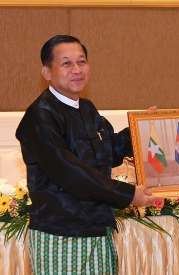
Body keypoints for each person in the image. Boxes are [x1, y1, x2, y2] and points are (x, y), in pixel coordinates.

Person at [15, 35, 161, 275]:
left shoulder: (87, 108)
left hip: (97, 229)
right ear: (47, 72)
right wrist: (127, 194)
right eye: (66, 63)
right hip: (62, 234)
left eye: (81, 62)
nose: (77, 70)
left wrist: (140, 130)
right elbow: (71, 172)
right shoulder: (40, 116)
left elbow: (108, 152)